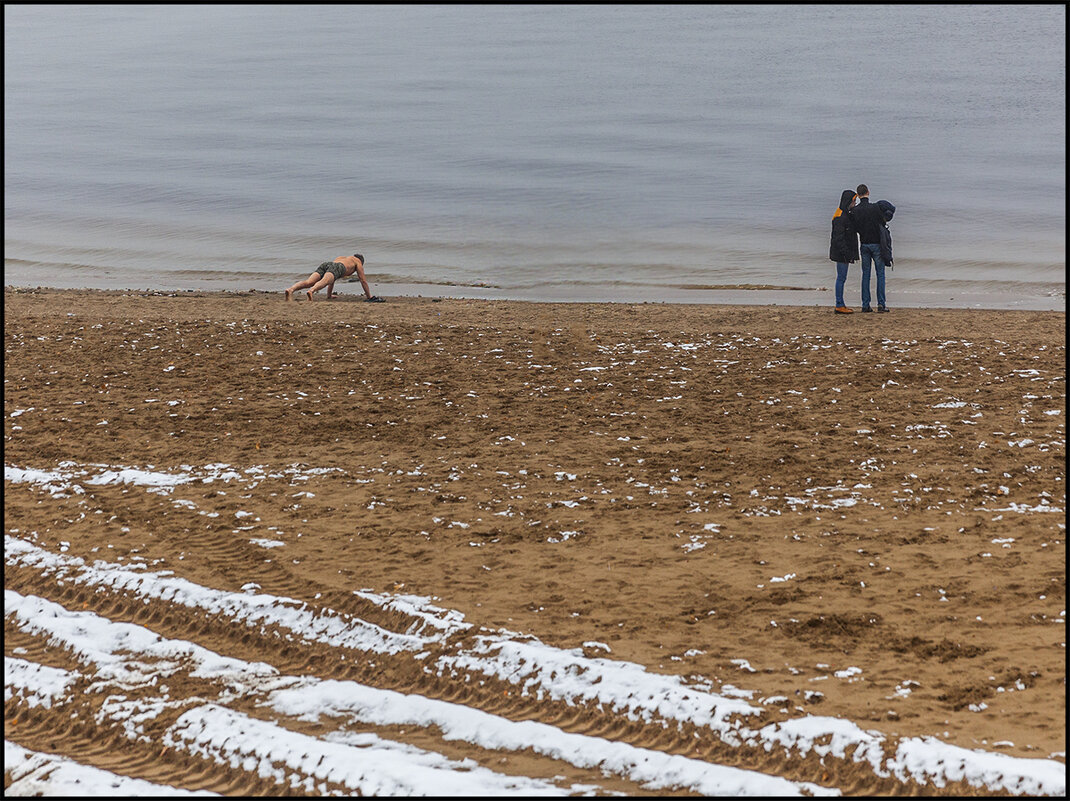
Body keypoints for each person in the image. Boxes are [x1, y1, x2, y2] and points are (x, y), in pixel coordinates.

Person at [852, 185, 889, 312]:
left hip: (864, 244)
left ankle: (865, 304)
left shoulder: (855, 211)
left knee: (866, 275)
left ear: (858, 195)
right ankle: (881, 304)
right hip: (877, 244)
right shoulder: (875, 208)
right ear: (868, 192)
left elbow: (855, 228)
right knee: (880, 274)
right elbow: (883, 222)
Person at [284, 254, 383, 302]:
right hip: (338, 267)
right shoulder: (358, 262)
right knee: (324, 281)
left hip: (327, 264)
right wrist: (369, 297)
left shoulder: (342, 257)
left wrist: (329, 295)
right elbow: (363, 280)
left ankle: (290, 289)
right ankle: (312, 291)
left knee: (309, 281)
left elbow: (332, 277)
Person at [829, 188, 859, 314]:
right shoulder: (840, 217)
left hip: (843, 252)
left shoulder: (845, 214)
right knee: (841, 278)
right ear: (848, 202)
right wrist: (846, 253)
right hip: (841, 253)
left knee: (842, 278)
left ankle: (840, 303)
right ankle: (839, 304)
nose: (855, 204)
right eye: (853, 202)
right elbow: (838, 238)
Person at [876, 199, 896, 270]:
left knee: (866, 272)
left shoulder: (873, 223)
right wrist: (888, 258)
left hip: (866, 244)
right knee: (880, 272)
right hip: (878, 248)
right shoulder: (882, 229)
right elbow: (884, 244)